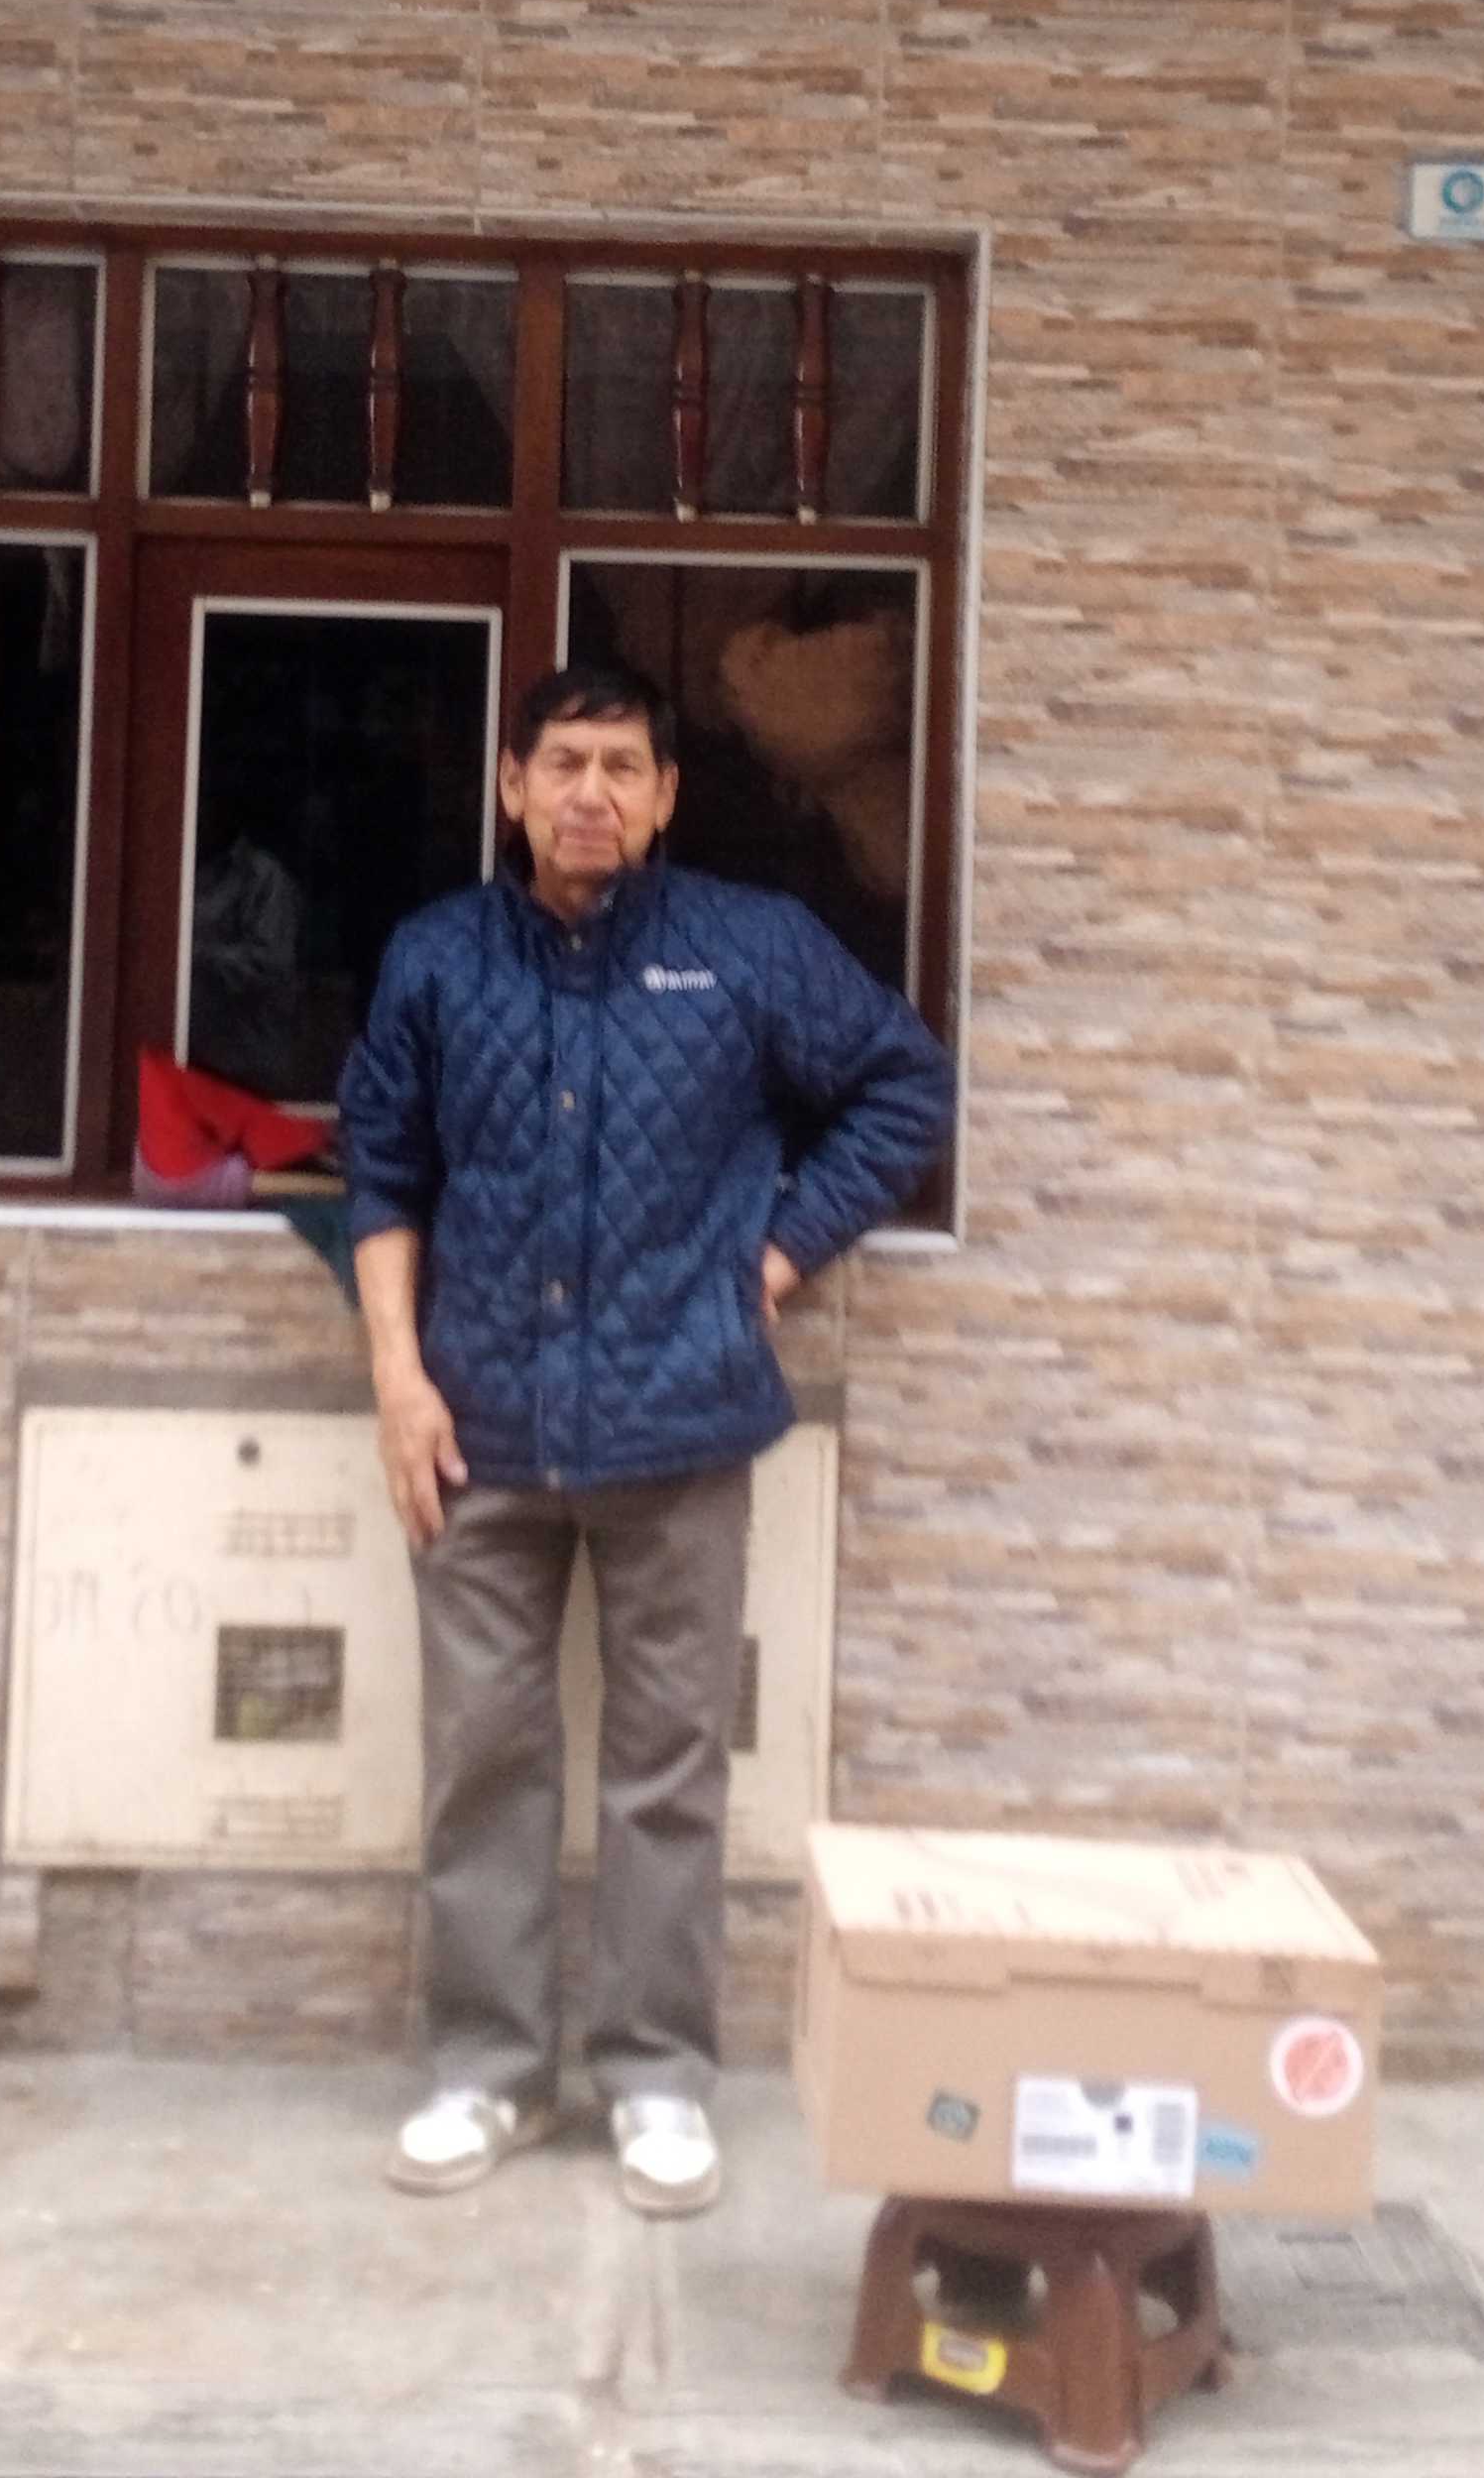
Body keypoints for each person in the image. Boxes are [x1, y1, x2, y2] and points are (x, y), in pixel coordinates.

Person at [338, 661, 956, 2216]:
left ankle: (657, 2079)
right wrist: (399, 1377)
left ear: (668, 796)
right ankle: (487, 2072)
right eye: (563, 764)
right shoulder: (437, 958)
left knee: (667, 1770)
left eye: (623, 767)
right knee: (482, 1760)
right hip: (477, 1433)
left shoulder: (750, 948)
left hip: (681, 1426)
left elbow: (904, 1085)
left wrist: (778, 1254)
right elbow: (381, 1174)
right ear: (513, 786)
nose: (591, 794)